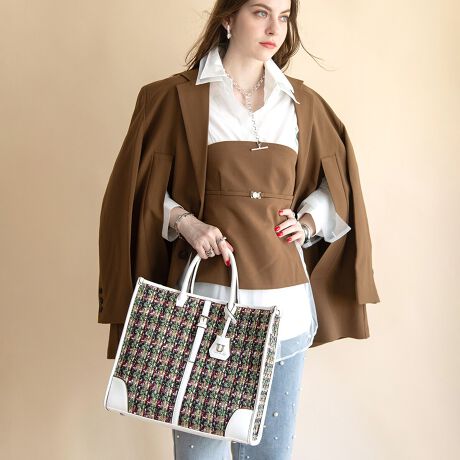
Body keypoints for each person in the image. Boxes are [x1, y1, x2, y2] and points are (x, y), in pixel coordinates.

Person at [98, 1, 380, 459]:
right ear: (228, 18)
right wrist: (187, 223)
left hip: (285, 309)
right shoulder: (172, 98)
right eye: (260, 12)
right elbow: (137, 191)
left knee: (270, 455)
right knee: (200, 455)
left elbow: (337, 183)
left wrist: (307, 221)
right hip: (205, 309)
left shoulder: (303, 103)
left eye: (284, 16)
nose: (275, 28)